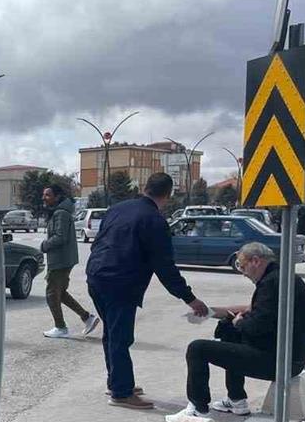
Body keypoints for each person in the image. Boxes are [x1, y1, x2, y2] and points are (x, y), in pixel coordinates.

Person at [86, 172, 208, 409]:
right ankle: (121, 393)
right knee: (120, 337)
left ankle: (117, 381)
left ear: (145, 188)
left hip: (96, 276)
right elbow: (164, 267)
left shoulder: (117, 209)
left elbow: (98, 242)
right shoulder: (154, 220)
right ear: (168, 194)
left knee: (112, 334)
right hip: (120, 283)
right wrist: (190, 298)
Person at [166, 242, 305, 422]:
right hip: (289, 358)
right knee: (230, 331)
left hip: (280, 363)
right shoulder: (281, 277)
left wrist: (239, 322)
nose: (243, 273)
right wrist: (211, 312)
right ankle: (236, 399)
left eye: (243, 267)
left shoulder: (271, 284)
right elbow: (252, 309)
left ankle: (198, 408)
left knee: (197, 349)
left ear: (255, 261)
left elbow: (255, 327)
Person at [39, 184, 99, 338]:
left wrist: (45, 245)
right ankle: (87, 318)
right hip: (63, 259)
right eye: (44, 195)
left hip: (60, 261)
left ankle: (60, 327)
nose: (44, 198)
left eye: (47, 195)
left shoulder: (61, 213)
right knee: (61, 293)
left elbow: (60, 237)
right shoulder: (60, 212)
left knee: (51, 294)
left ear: (57, 197)